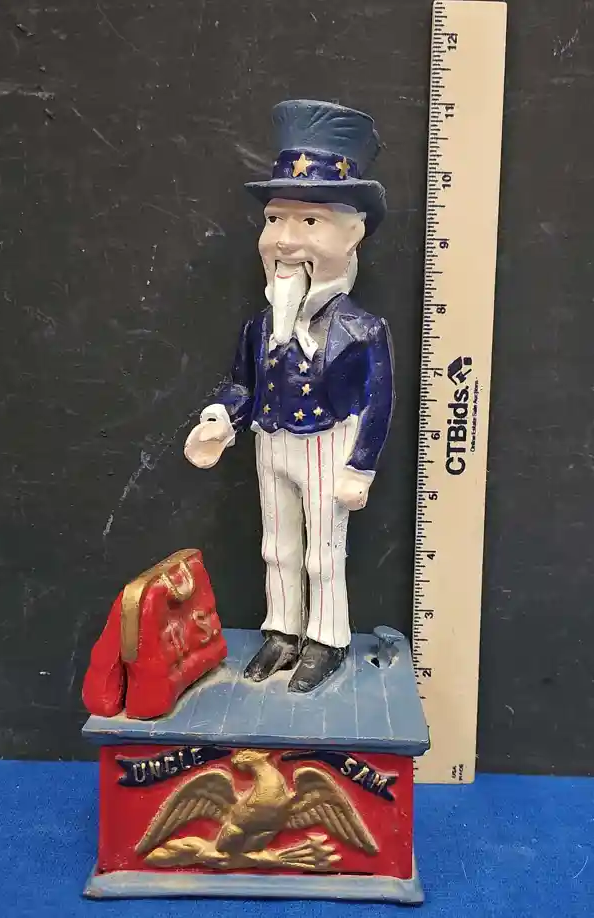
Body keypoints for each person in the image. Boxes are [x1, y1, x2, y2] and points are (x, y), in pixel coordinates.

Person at [184, 100, 394, 693]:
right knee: (276, 545)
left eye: (309, 223)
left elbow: (378, 405)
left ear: (352, 235)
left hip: (328, 445)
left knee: (323, 550)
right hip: (269, 443)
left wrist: (360, 468)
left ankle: (327, 637)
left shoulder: (362, 330)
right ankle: (282, 630)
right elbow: (242, 384)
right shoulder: (261, 326)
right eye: (275, 219)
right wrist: (221, 419)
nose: (284, 240)